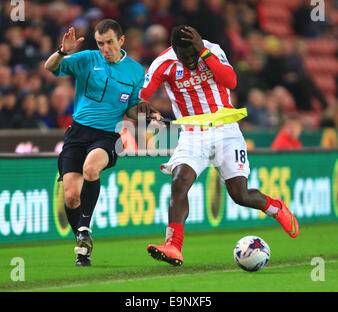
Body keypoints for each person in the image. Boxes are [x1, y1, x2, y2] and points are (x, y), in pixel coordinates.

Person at [140, 25, 299, 267]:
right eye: (185, 58)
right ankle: (173, 245)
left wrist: (202, 51)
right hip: (192, 134)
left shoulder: (211, 51)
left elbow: (231, 81)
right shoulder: (163, 64)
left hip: (226, 130)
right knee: (179, 181)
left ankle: (275, 207)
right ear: (174, 51)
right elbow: (142, 95)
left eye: (193, 55)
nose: (191, 62)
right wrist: (146, 109)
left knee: (240, 195)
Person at [45, 19, 155, 266]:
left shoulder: (136, 71)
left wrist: (145, 112)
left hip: (108, 135)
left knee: (91, 168)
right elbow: (50, 67)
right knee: (71, 197)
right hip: (77, 133)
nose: (105, 48)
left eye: (110, 42)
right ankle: (82, 244)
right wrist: (63, 51)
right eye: (101, 43)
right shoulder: (86, 59)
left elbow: (132, 109)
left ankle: (84, 227)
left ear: (121, 40)